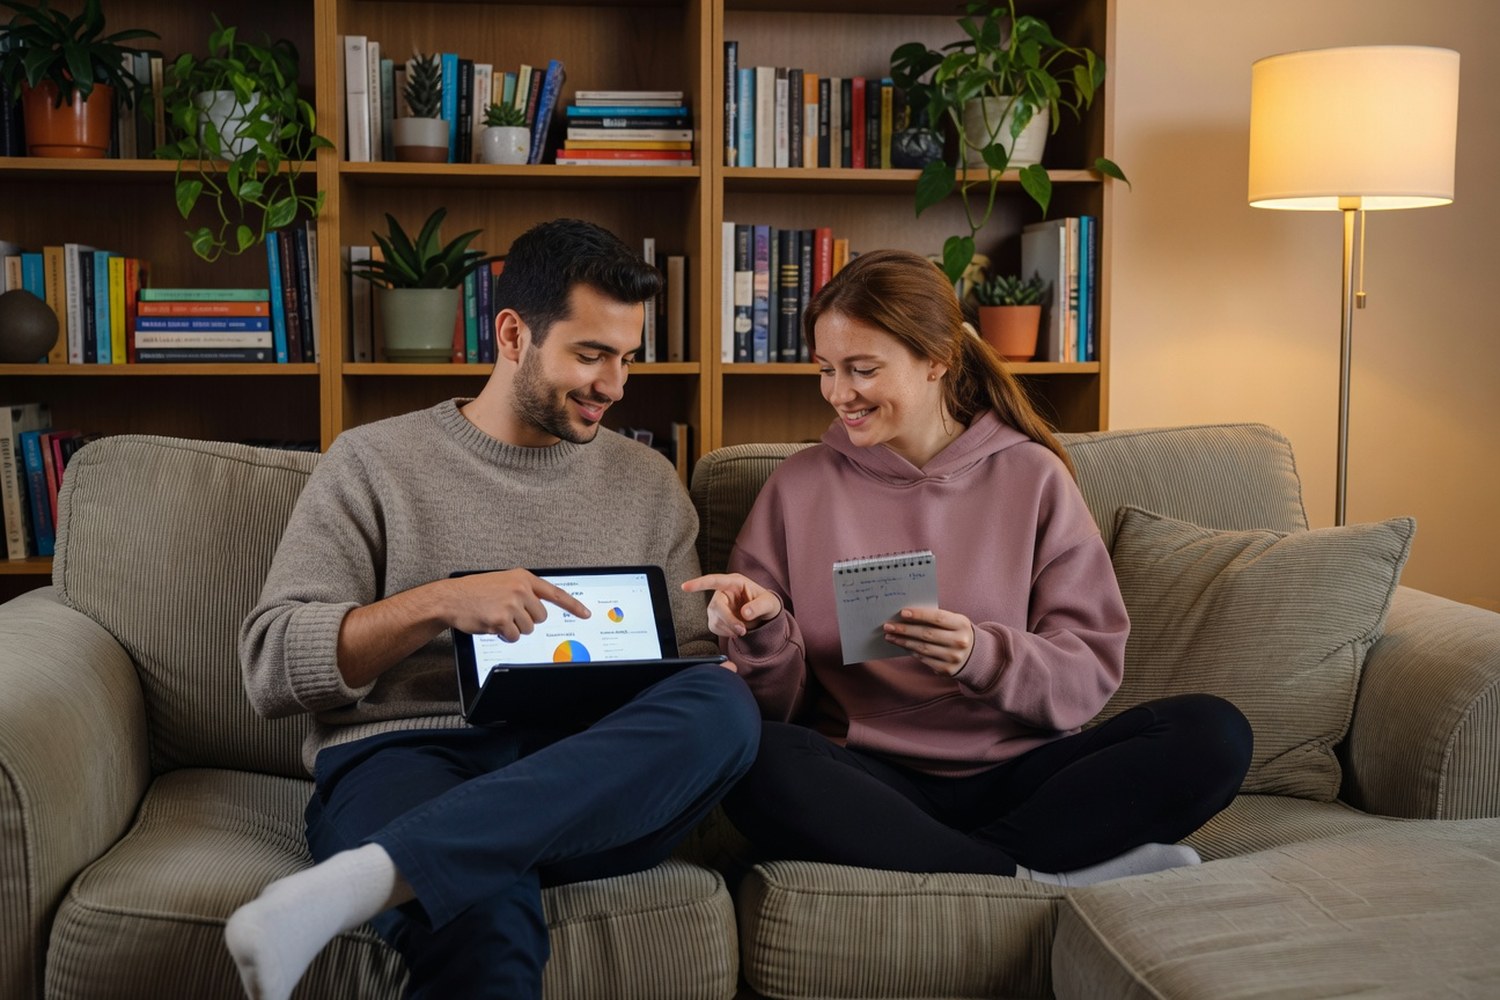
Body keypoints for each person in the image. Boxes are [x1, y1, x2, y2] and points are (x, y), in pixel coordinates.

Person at [226, 218, 759, 1000]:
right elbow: (271, 666)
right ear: (513, 334)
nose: (613, 385)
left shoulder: (647, 481)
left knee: (723, 702)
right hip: (410, 760)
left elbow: (678, 679)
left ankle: (376, 874)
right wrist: (437, 603)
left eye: (626, 358)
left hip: (591, 775)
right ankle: (432, 857)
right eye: (589, 354)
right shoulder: (374, 462)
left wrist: (729, 634)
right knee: (485, 926)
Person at [684, 248, 1251, 887]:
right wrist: (761, 631)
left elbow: (1088, 672)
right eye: (825, 369)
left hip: (1025, 772)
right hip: (872, 776)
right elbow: (774, 711)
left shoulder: (1032, 476)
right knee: (756, 760)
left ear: (937, 361)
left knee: (1215, 733)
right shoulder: (797, 486)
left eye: (862, 369)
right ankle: (1029, 877)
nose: (838, 394)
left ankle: (952, 863)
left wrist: (981, 655)